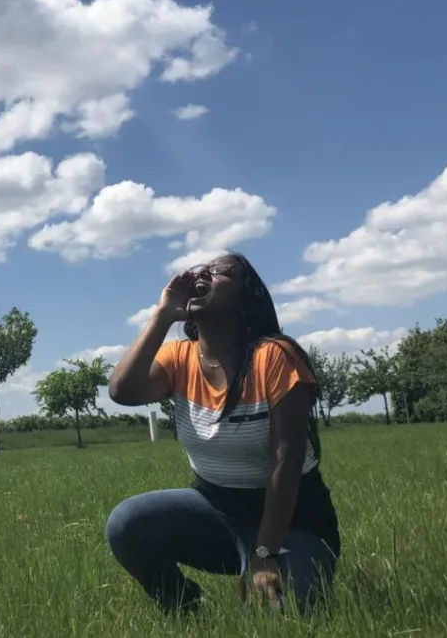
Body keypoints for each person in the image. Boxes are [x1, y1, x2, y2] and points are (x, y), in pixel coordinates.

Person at [104, 253, 341, 616]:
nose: (202, 275)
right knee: (128, 523)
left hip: (293, 521)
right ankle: (187, 611)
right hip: (217, 513)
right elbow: (123, 391)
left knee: (281, 615)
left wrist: (265, 551)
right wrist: (162, 315)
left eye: (219, 271)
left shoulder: (275, 355)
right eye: (200, 270)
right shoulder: (178, 358)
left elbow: (287, 458)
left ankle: (283, 569)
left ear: (246, 296)